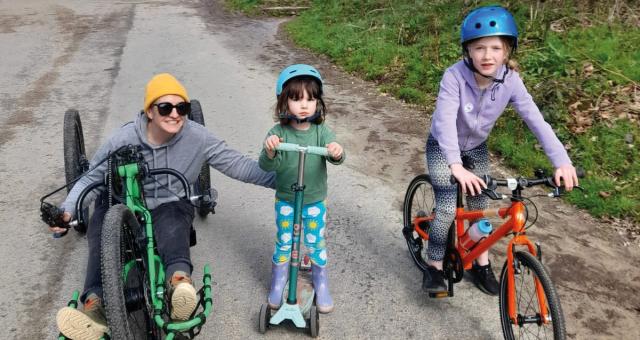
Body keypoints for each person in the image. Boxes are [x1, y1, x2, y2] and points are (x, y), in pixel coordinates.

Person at [49, 73, 275, 339]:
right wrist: (68, 211)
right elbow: (91, 179)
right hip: (123, 201)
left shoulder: (197, 137)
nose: (175, 114)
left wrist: (286, 182)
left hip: (169, 203)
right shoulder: (122, 139)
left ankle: (179, 285)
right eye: (165, 107)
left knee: (174, 223)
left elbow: (240, 165)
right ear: (149, 112)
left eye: (182, 108)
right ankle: (94, 307)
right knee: (101, 227)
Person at [423, 6, 579, 295]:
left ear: (507, 51)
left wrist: (562, 161)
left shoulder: (510, 80)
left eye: (496, 47)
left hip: (477, 146)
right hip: (443, 147)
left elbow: (535, 118)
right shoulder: (454, 77)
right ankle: (433, 266)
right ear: (467, 50)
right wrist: (455, 166)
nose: (487, 55)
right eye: (479, 47)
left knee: (479, 208)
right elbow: (444, 121)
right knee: (445, 209)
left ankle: (480, 263)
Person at [259, 64, 344, 313]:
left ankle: (321, 280)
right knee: (285, 241)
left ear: (318, 102)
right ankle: (278, 280)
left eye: (311, 98)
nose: (304, 105)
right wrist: (271, 149)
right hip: (286, 199)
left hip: (315, 200)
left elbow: (337, 156)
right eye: (296, 99)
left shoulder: (321, 132)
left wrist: (336, 152)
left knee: (315, 241)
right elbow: (264, 165)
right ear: (284, 102)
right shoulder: (278, 133)